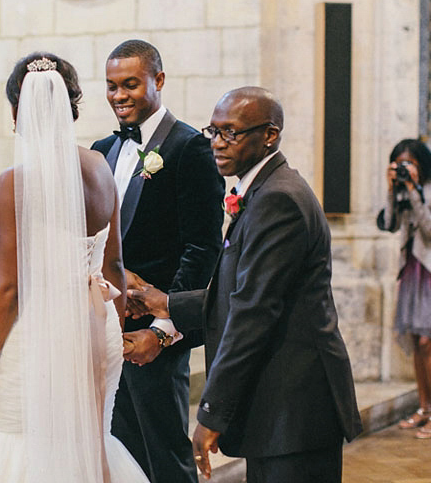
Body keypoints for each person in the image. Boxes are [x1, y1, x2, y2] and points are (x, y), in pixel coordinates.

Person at [128, 87, 363, 483]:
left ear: (269, 135)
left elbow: (252, 313)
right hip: (280, 408)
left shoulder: (279, 200)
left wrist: (211, 412)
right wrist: (163, 303)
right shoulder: (263, 191)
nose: (217, 144)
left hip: (294, 407)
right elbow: (239, 293)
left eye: (231, 133)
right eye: (213, 132)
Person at [0, 53, 148, 483]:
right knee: (87, 445)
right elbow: (116, 265)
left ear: (18, 110)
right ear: (72, 106)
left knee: (18, 443)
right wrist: (112, 328)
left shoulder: (14, 181)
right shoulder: (100, 167)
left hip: (42, 335)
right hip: (98, 326)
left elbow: (10, 289)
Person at [91, 40, 224, 483]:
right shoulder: (102, 149)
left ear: (158, 81)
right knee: (118, 452)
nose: (119, 96)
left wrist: (162, 330)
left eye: (130, 84)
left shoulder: (190, 148)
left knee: (166, 457)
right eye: (111, 86)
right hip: (107, 328)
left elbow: (202, 250)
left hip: (155, 336)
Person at [376, 138, 431, 439]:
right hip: (413, 268)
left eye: (410, 163)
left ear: (422, 162)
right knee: (416, 342)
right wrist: (393, 191)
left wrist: (414, 191)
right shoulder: (401, 188)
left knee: (430, 343)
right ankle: (424, 407)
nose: (405, 169)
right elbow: (389, 224)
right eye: (400, 164)